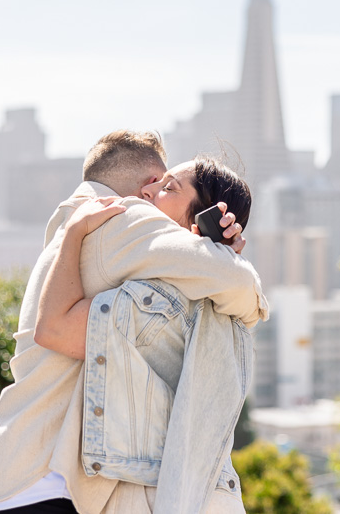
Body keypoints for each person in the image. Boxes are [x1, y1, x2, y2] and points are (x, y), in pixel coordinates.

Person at [0, 132, 267, 514]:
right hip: (44, 486)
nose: (152, 192)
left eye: (167, 187)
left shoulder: (76, 226)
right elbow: (244, 290)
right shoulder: (121, 219)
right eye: (159, 182)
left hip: (13, 477)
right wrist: (225, 256)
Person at [33, 157, 255, 513]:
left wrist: (73, 233)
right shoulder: (218, 304)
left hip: (156, 495)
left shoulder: (157, 302)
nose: (146, 191)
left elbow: (53, 328)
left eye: (168, 188)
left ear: (199, 223)